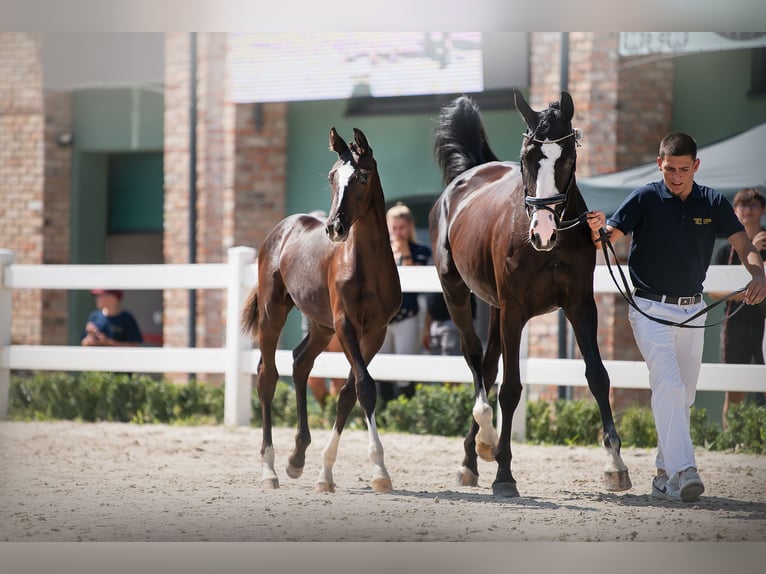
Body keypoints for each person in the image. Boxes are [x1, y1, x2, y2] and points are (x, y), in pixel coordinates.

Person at [586, 133, 766, 503]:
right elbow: (609, 236)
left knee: (683, 395)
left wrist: (759, 274)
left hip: (693, 309)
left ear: (696, 166)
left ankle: (664, 472)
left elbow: (743, 244)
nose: (677, 176)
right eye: (670, 169)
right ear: (659, 164)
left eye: (684, 169)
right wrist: (597, 229)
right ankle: (685, 470)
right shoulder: (645, 197)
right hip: (650, 310)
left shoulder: (713, 201)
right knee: (667, 385)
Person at [709, 188, 766, 427]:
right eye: (743, 205)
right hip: (735, 324)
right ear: (735, 211)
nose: (748, 210)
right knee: (733, 390)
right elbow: (713, 292)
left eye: (753, 205)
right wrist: (748, 294)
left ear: (762, 210)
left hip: (763, 324)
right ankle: (732, 441)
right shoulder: (725, 249)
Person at [378, 202, 431, 403]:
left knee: (405, 370)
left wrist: (404, 250)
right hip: (382, 319)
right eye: (394, 227)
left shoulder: (420, 250)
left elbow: (414, 281)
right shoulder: (380, 251)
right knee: (382, 368)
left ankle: (406, 412)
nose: (398, 232)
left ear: (409, 226)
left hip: (407, 315)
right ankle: (385, 413)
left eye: (402, 227)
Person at [300, 313, 346, 409]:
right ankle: (328, 410)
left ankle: (334, 412)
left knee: (338, 375)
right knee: (313, 380)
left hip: (335, 324)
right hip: (313, 326)